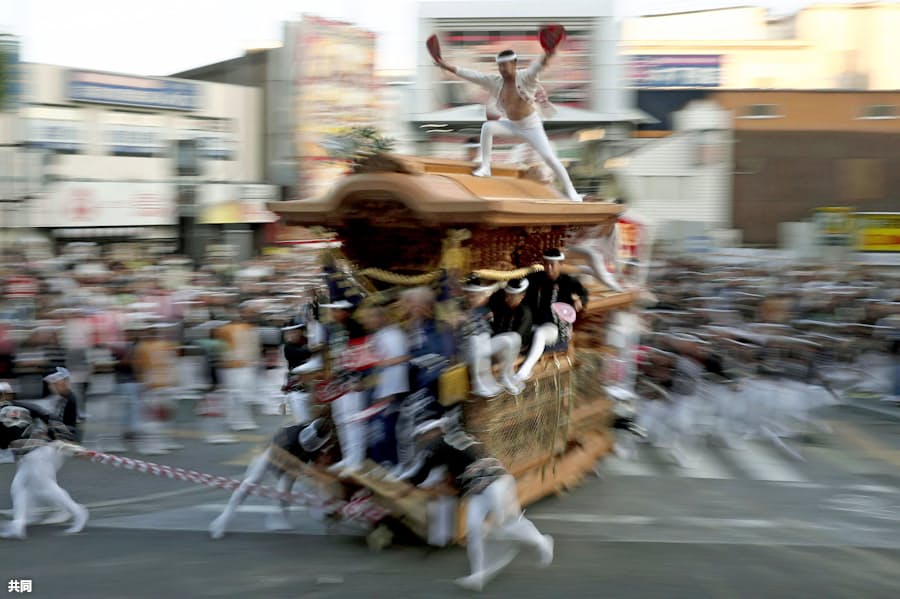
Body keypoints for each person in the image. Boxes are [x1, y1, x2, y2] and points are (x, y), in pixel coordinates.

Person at [407, 411, 553, 591]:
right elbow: (460, 474)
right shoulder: (458, 439)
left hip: (493, 484)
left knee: (505, 524)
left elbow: (421, 474)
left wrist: (402, 484)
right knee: (474, 528)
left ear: (435, 432)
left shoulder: (439, 444)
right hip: (483, 487)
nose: (423, 440)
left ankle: (542, 542)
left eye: (423, 436)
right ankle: (478, 575)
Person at [434, 46, 582, 202]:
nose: (502, 69)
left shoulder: (526, 77)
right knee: (488, 127)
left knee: (550, 158)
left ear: (514, 64)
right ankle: (485, 167)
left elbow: (538, 66)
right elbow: (470, 75)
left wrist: (548, 53)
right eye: (500, 66)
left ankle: (572, 192)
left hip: (532, 127)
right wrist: (445, 65)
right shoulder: (495, 81)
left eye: (505, 65)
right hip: (513, 125)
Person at [516, 249, 588, 382]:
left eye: (553, 264)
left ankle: (526, 368)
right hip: (535, 322)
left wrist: (580, 300)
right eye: (546, 264)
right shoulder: (536, 278)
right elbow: (518, 286)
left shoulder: (568, 281)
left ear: (560, 264)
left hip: (554, 326)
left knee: (540, 334)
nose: (549, 268)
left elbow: (583, 293)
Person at [460, 275, 523, 396]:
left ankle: (505, 375)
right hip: (468, 352)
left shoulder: (484, 310)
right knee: (476, 339)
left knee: (513, 338)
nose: (473, 299)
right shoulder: (461, 310)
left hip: (483, 347)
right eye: (471, 296)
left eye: (476, 296)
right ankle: (479, 381)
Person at [489, 278, 533, 351]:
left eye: (511, 296)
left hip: (515, 348)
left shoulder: (525, 313)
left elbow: (517, 337)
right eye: (506, 295)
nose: (507, 299)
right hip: (498, 344)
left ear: (522, 295)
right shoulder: (503, 307)